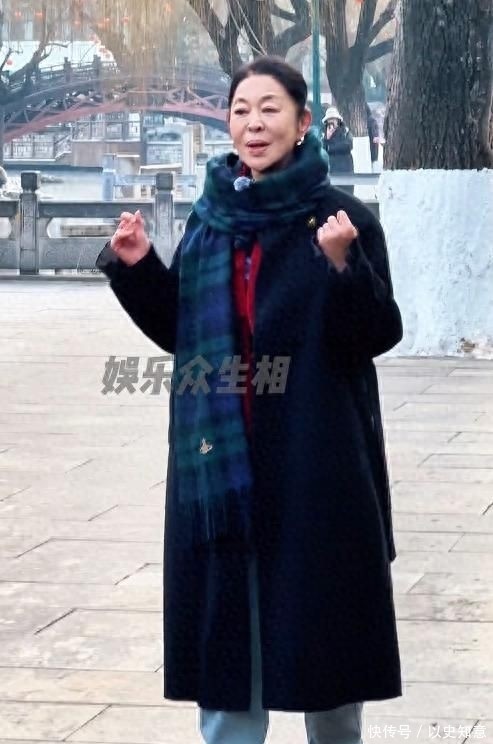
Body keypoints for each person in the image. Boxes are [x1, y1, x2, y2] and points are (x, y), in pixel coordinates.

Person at [96, 56, 403, 744]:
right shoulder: (212, 222)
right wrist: (139, 267)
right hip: (221, 465)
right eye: (241, 110)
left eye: (269, 109)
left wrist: (343, 265)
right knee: (228, 647)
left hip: (315, 459)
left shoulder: (341, 219)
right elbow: (184, 334)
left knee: (327, 651)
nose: (253, 124)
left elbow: (378, 333)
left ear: (301, 123)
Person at [322, 106, 354, 195]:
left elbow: (348, 146)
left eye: (333, 119)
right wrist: (327, 138)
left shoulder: (345, 132)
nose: (331, 122)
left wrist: (330, 148)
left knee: (347, 195)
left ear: (338, 120)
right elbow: (322, 150)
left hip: (346, 169)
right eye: (329, 120)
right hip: (331, 169)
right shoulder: (324, 134)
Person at [366, 103, 381, 173]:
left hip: (371, 146)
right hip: (372, 146)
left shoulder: (371, 120)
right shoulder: (371, 120)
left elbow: (375, 136)